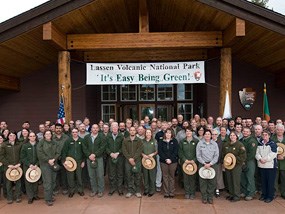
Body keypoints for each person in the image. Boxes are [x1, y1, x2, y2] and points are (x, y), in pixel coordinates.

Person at [37, 130, 60, 206]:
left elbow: (58, 152)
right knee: (48, 182)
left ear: (51, 134)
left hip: (54, 164)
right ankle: (48, 199)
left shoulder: (55, 143)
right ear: (44, 135)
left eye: (49, 133)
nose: (48, 135)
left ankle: (50, 195)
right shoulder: (41, 143)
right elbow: (40, 153)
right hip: (45, 165)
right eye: (46, 134)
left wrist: (53, 159)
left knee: (53, 181)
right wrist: (48, 160)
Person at [196, 129, 219, 204]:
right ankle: (204, 197)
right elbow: (198, 155)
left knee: (212, 182)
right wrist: (204, 163)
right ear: (204, 135)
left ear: (211, 135)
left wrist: (210, 164)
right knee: (203, 182)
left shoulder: (214, 144)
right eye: (206, 134)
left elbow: (216, 155)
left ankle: (210, 197)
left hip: (212, 165)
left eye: (209, 134)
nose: (207, 135)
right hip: (202, 164)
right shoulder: (200, 143)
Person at [222, 131, 246, 202]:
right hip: (228, 165)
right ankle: (231, 194)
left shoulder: (240, 145)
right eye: (231, 135)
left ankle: (236, 195)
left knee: (235, 180)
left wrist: (234, 160)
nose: (232, 137)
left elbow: (243, 156)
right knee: (229, 180)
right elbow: (223, 154)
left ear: (236, 136)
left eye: (233, 135)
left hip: (236, 165)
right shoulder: (226, 144)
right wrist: (225, 162)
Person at [83, 124, 106, 197]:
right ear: (91, 129)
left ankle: (100, 190)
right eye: (93, 128)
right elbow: (84, 147)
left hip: (98, 158)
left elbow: (102, 147)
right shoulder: (87, 137)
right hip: (89, 158)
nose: (95, 129)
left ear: (98, 129)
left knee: (100, 175)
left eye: (96, 128)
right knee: (91, 175)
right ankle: (94, 190)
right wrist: (89, 155)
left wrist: (95, 155)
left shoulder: (102, 137)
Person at [0, 131, 23, 204]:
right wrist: (8, 164)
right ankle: (10, 198)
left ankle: (18, 196)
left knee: (18, 182)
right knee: (8, 183)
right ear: (8, 136)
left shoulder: (19, 144)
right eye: (10, 135)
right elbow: (1, 156)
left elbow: (22, 155)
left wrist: (19, 163)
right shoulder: (4, 144)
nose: (12, 137)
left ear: (16, 137)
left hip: (18, 166)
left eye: (13, 135)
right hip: (8, 167)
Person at [61, 128, 85, 197]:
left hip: (79, 161)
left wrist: (83, 161)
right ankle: (71, 191)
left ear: (78, 132)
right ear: (71, 133)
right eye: (73, 132)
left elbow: (84, 152)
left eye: (76, 132)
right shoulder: (68, 141)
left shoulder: (81, 140)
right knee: (70, 177)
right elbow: (64, 152)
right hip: (70, 162)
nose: (75, 133)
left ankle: (80, 190)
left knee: (79, 176)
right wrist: (64, 162)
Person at [255, 130, 277, 203]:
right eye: (263, 135)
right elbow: (257, 153)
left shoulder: (273, 144)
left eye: (266, 135)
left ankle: (269, 196)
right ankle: (264, 195)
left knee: (270, 182)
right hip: (261, 166)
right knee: (263, 182)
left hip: (270, 166)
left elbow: (273, 154)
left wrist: (265, 159)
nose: (264, 136)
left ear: (269, 136)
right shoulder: (260, 144)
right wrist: (260, 159)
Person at [122, 126, 143, 198]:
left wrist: (133, 158)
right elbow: (124, 150)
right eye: (131, 130)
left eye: (134, 130)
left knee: (137, 176)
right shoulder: (125, 140)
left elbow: (139, 150)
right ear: (129, 131)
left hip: (137, 161)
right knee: (128, 176)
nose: (132, 131)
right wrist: (129, 158)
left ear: (136, 131)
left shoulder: (139, 140)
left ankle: (137, 191)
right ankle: (130, 191)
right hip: (128, 161)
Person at [20, 132, 40, 204]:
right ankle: (30, 197)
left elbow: (40, 156)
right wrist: (29, 165)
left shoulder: (38, 145)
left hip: (36, 166)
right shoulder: (25, 146)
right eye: (30, 136)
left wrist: (37, 164)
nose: (32, 137)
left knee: (35, 180)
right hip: (27, 166)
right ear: (28, 137)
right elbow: (22, 157)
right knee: (28, 181)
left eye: (33, 136)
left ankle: (35, 195)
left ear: (35, 137)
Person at [179, 126, 198, 199]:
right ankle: (187, 193)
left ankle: (192, 193)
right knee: (186, 178)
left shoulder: (196, 141)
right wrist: (184, 159)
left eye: (190, 131)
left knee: (193, 178)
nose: (188, 133)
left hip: (194, 163)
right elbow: (180, 152)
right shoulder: (182, 141)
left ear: (192, 132)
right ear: (185, 133)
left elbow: (198, 152)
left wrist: (194, 160)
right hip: (185, 163)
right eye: (187, 131)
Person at [158, 128, 179, 198]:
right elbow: (160, 151)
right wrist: (166, 159)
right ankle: (166, 192)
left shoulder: (175, 141)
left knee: (172, 177)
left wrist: (170, 159)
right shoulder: (161, 141)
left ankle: (172, 192)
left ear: (172, 134)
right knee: (165, 177)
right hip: (163, 162)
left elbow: (176, 151)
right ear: (165, 134)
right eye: (167, 133)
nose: (168, 134)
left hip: (173, 162)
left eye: (169, 133)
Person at [105, 122, 124, 196]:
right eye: (113, 127)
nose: (115, 128)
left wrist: (118, 153)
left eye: (116, 127)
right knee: (112, 174)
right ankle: (112, 189)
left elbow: (123, 147)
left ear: (118, 128)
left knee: (120, 174)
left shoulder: (121, 136)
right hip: (111, 157)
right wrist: (111, 153)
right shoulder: (107, 136)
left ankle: (120, 189)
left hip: (119, 157)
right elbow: (105, 147)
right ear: (111, 128)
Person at [240, 127, 258, 201]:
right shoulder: (241, 140)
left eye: (247, 131)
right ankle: (244, 191)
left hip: (249, 161)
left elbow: (251, 154)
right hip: (242, 161)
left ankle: (251, 193)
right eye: (244, 131)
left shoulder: (252, 141)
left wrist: (244, 160)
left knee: (249, 177)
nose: (245, 133)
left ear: (250, 133)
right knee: (243, 177)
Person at [53, 123, 69, 195]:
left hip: (64, 158)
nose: (58, 130)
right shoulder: (52, 137)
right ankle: (56, 188)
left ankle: (65, 188)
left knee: (64, 174)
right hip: (55, 159)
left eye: (59, 128)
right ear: (55, 129)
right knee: (55, 174)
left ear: (62, 129)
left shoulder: (66, 137)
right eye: (57, 128)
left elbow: (69, 148)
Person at [142, 129, 157, 197]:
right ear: (145, 134)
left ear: (151, 134)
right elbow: (139, 150)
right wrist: (143, 155)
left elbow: (157, 151)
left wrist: (152, 154)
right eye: (147, 133)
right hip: (144, 161)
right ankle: (146, 190)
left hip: (152, 161)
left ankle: (152, 190)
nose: (148, 134)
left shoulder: (154, 141)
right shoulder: (142, 141)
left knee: (152, 176)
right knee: (145, 176)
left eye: (149, 132)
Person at [271, 124, 285, 199]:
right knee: (274, 178)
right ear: (276, 130)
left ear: (283, 130)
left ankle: (284, 193)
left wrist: (283, 156)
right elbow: (269, 149)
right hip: (274, 162)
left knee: (284, 178)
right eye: (278, 129)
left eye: (281, 130)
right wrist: (276, 156)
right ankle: (275, 192)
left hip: (284, 162)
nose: (280, 131)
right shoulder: (272, 139)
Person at [212, 129, 225, 197]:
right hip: (210, 162)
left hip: (218, 162)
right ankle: (211, 189)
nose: (214, 135)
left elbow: (221, 152)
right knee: (211, 176)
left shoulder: (220, 142)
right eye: (213, 134)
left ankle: (217, 190)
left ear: (218, 135)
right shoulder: (209, 141)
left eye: (215, 134)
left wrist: (220, 161)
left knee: (218, 176)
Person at [0, 134, 7, 198]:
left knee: (5, 181)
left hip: (4, 165)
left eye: (1, 138)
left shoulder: (5, 146)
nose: (0, 140)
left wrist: (3, 162)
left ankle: (5, 194)